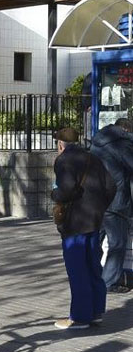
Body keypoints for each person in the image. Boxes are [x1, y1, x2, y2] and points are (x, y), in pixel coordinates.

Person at [51, 126, 115, 329]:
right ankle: (96, 312)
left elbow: (66, 189)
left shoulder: (64, 160)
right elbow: (111, 186)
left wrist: (55, 196)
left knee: (77, 269)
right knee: (93, 267)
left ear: (61, 144)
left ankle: (79, 317)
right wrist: (99, 207)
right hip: (94, 220)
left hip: (74, 222)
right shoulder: (92, 158)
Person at [90, 116, 133, 292]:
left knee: (94, 242)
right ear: (126, 130)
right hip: (115, 202)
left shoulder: (97, 142)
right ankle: (108, 283)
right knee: (117, 244)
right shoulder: (121, 144)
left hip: (94, 200)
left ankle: (92, 277)